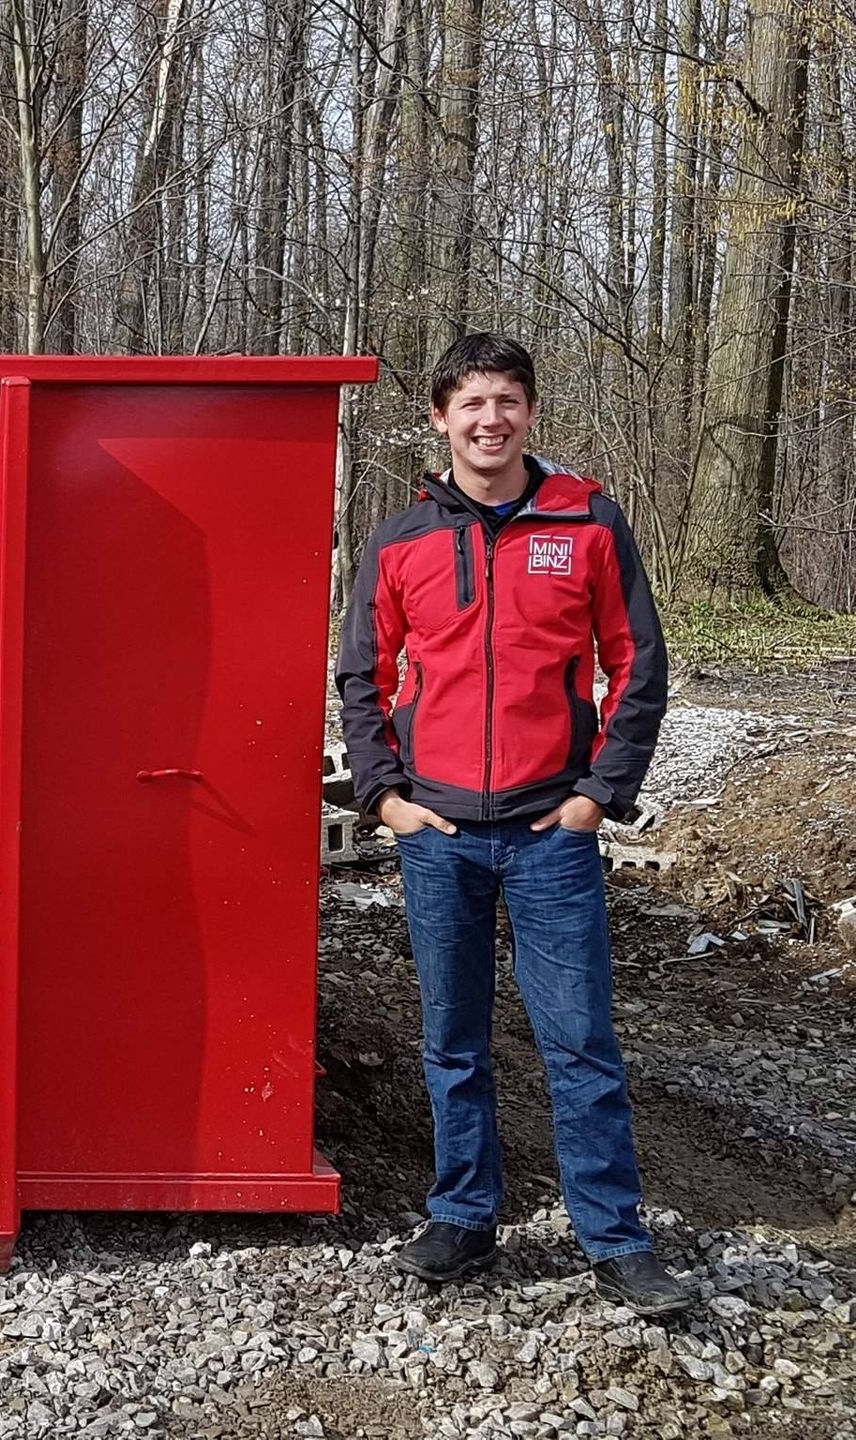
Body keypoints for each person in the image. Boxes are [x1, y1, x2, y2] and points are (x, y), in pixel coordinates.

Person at [334, 333, 689, 1316]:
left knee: (579, 1043)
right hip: (438, 833)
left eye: (507, 401)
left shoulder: (589, 523)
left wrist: (597, 795)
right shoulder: (400, 539)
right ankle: (463, 1217)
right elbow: (362, 673)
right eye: (471, 404)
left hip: (549, 832)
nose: (489, 420)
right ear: (440, 419)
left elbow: (637, 663)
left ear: (529, 412)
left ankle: (615, 1239)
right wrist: (387, 798)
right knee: (453, 1041)